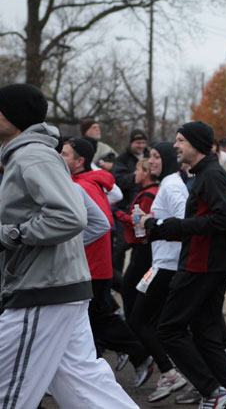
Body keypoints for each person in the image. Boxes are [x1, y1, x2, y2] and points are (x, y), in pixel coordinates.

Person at [0, 84, 137, 409]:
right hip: (60, 288)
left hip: (42, 291)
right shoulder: (29, 154)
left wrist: (12, 235)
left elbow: (71, 216)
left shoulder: (31, 155)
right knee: (85, 389)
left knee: (8, 392)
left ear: (14, 117)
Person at [148, 121, 226, 409]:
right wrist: (163, 228)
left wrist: (179, 225)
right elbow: (204, 220)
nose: (175, 146)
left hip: (202, 266)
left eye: (180, 140)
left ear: (197, 144)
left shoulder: (212, 175)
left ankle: (212, 392)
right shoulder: (205, 174)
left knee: (168, 330)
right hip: (208, 264)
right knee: (206, 335)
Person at [61, 137, 154, 386]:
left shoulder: (85, 186)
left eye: (65, 154)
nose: (60, 157)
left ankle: (138, 354)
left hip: (90, 267)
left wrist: (70, 245)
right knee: (93, 320)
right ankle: (91, 370)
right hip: (93, 266)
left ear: (80, 161)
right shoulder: (87, 182)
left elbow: (103, 223)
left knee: (97, 319)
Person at [129, 141, 189, 403]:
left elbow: (185, 220)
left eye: (155, 157)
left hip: (167, 265)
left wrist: (152, 223)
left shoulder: (172, 185)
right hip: (165, 263)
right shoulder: (168, 183)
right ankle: (191, 376)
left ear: (166, 158)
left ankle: (170, 372)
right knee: (165, 324)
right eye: (148, 157)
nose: (150, 161)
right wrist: (147, 221)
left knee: (138, 320)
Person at [114, 159, 158, 321]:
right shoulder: (150, 191)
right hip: (144, 247)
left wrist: (116, 213)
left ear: (146, 173)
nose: (135, 173)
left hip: (142, 248)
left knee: (129, 288)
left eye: (138, 170)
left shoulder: (148, 194)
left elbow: (138, 223)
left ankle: (135, 324)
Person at [111, 128, 149, 288]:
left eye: (143, 142)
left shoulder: (150, 156)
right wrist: (134, 177)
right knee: (120, 248)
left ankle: (139, 282)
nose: (140, 146)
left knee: (141, 246)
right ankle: (117, 282)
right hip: (126, 208)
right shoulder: (122, 160)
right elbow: (116, 181)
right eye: (137, 142)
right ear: (131, 143)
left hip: (145, 207)